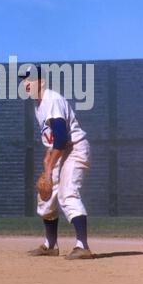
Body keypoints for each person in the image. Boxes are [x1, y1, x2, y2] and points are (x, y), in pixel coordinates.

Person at [19, 65, 93, 260]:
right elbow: (51, 142)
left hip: (75, 148)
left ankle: (82, 245)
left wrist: (50, 167)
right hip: (61, 150)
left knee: (67, 192)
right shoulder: (38, 106)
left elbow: (61, 138)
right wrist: (47, 165)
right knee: (46, 197)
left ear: (41, 81)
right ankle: (50, 245)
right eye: (24, 79)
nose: (25, 83)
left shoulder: (52, 100)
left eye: (30, 79)